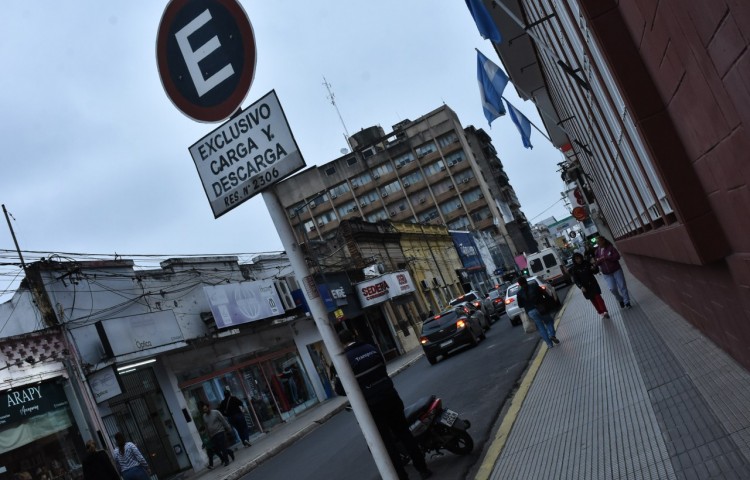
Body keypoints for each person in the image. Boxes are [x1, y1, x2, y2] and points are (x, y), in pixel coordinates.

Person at [334, 329, 432, 480]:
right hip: (390, 396)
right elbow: (383, 369)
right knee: (404, 434)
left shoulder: (345, 360)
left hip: (372, 406)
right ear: (354, 336)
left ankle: (402, 477)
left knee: (387, 444)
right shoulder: (371, 348)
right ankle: (423, 469)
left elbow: (340, 389)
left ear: (341, 343)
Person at [516, 277, 559, 349]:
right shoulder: (534, 286)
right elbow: (544, 293)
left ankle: (549, 344)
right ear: (526, 281)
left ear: (519, 284)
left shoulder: (519, 293)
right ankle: (552, 335)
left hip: (530, 311)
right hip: (540, 308)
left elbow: (520, 305)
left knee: (540, 327)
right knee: (549, 321)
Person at [594, 236, 631, 308]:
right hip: (606, 273)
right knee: (612, 289)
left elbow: (617, 257)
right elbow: (596, 262)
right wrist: (598, 261)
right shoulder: (597, 252)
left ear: (603, 241)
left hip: (616, 269)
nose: (598, 243)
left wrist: (607, 257)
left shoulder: (610, 248)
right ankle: (620, 299)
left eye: (599, 241)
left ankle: (627, 302)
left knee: (622, 285)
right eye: (597, 242)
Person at [570, 252, 609, 318]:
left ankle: (604, 311)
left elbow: (595, 271)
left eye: (579, 258)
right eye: (576, 259)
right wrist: (581, 287)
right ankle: (600, 312)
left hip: (592, 283)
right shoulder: (574, 269)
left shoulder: (586, 263)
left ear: (581, 257)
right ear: (574, 260)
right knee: (593, 299)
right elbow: (576, 280)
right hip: (585, 287)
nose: (578, 260)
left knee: (598, 297)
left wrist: (594, 267)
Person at [200, 401, 235, 467]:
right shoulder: (204, 416)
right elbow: (206, 426)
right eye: (204, 410)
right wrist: (208, 435)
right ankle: (230, 452)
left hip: (220, 431)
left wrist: (228, 428)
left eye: (206, 409)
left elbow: (223, 420)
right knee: (218, 448)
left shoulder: (216, 412)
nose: (205, 410)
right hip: (212, 435)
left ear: (209, 407)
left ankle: (226, 461)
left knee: (222, 446)